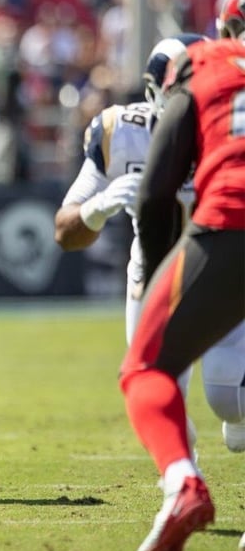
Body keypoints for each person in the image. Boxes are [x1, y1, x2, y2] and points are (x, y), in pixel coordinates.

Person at [118, 0, 245, 551]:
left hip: (229, 226)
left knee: (146, 368)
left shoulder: (205, 63)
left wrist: (163, 269)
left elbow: (155, 192)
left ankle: (184, 486)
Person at [54, 32, 209, 455]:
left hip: (222, 269)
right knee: (154, 391)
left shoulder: (230, 127)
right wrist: (97, 209)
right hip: (153, 275)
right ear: (155, 91)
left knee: (229, 396)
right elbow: (65, 232)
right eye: (184, 89)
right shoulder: (119, 130)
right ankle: (182, 479)